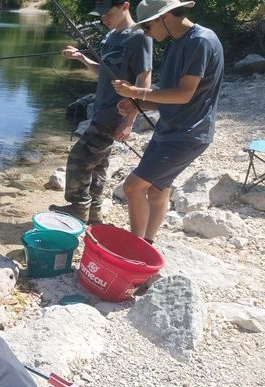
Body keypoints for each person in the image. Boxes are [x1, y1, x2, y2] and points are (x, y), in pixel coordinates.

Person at [112, 0, 224, 244]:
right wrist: (137, 104)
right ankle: (147, 244)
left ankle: (135, 247)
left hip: (188, 135)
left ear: (164, 17)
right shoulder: (177, 44)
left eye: (147, 26)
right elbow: (169, 98)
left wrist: (136, 92)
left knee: (132, 187)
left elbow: (184, 94)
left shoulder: (201, 41)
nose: (145, 33)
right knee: (157, 189)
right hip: (168, 130)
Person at [49, 0, 153, 224]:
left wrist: (129, 121)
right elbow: (104, 71)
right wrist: (81, 58)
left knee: (79, 158)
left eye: (109, 13)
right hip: (100, 109)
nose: (104, 18)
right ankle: (94, 213)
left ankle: (78, 207)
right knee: (98, 164)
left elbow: (144, 80)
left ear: (125, 6)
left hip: (115, 113)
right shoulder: (111, 37)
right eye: (101, 14)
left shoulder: (139, 37)